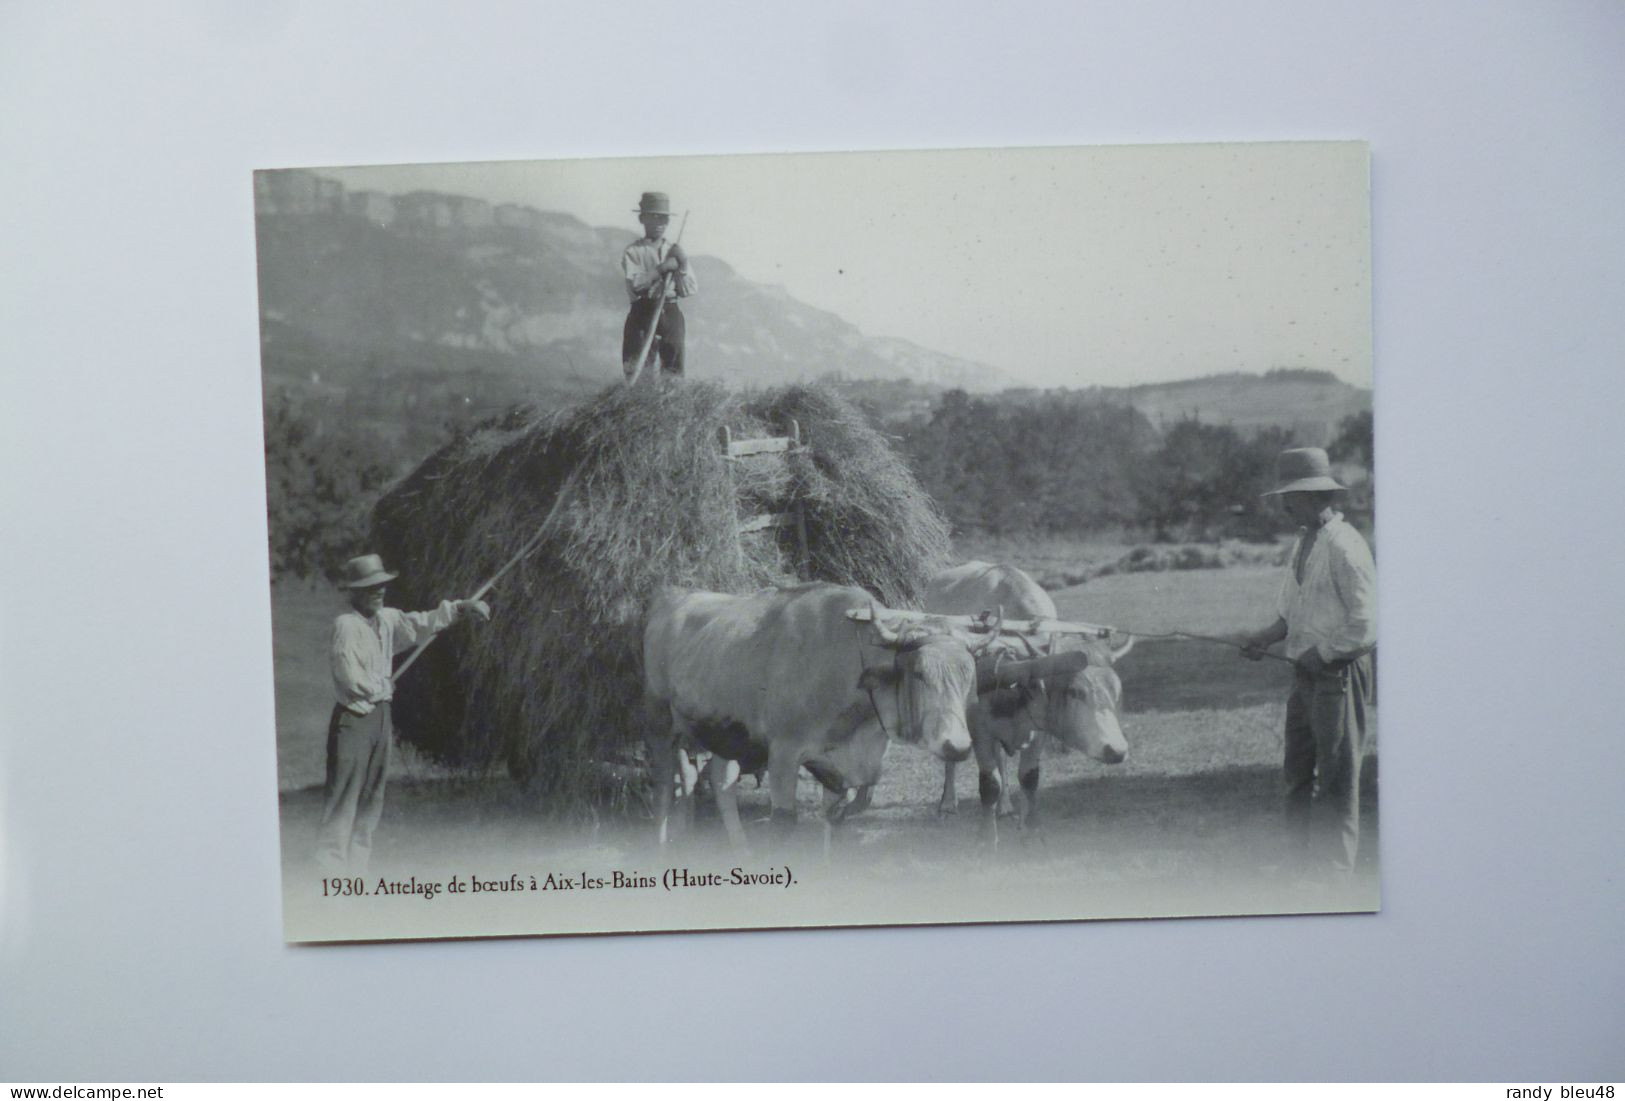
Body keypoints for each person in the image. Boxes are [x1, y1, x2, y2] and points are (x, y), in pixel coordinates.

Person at [1239, 448, 1377, 880]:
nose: (1284, 506)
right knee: (1297, 771)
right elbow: (1290, 615)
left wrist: (1326, 654)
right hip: (1305, 673)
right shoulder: (1303, 542)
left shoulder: (1346, 546)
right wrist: (1264, 638)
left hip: (1338, 674)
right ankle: (1297, 862)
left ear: (1318, 496)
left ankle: (1336, 872)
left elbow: (1368, 623)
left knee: (1339, 775)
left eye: (1292, 497)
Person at [315, 554, 491, 873]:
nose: (378, 592)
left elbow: (420, 624)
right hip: (354, 721)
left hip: (381, 719)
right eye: (370, 588)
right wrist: (378, 687)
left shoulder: (387, 619)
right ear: (354, 592)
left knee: (371, 802)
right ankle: (331, 878)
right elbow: (347, 676)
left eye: (381, 586)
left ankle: (356, 876)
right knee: (343, 801)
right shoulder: (347, 626)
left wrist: (461, 608)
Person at [620, 191, 696, 381]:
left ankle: (670, 407)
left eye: (664, 218)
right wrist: (663, 268)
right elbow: (637, 284)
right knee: (638, 369)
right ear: (642, 218)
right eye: (654, 217)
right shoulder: (633, 252)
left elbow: (689, 289)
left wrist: (683, 263)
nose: (660, 223)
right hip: (642, 313)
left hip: (670, 311)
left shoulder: (674, 251)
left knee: (674, 369)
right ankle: (639, 405)